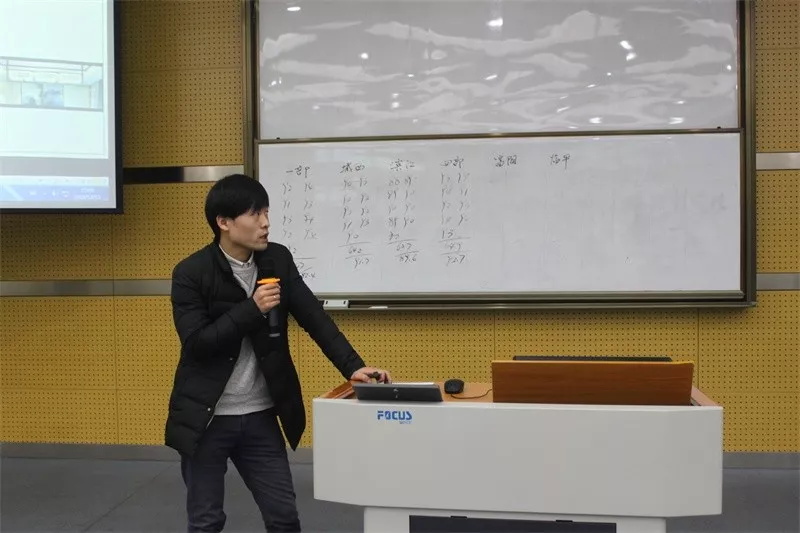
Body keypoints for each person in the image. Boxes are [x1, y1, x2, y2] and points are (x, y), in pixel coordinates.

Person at [165, 173, 391, 532]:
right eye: (255, 214)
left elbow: (314, 317)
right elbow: (197, 344)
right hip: (207, 418)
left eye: (267, 212)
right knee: (206, 522)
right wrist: (251, 308)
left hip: (260, 415)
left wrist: (353, 367)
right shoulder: (191, 273)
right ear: (223, 222)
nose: (265, 223)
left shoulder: (277, 260)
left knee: (284, 518)